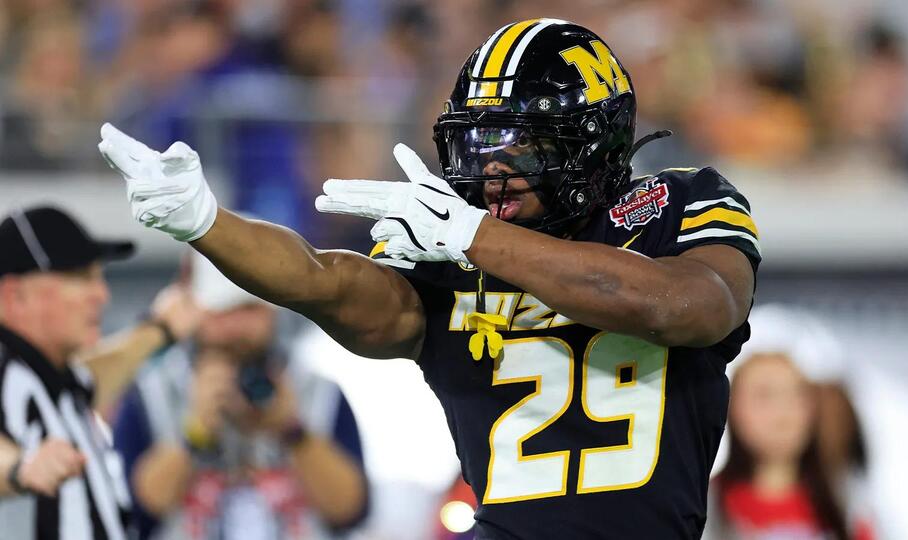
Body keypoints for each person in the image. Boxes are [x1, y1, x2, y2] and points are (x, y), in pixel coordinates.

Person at [98, 19, 760, 539]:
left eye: (519, 143)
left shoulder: (677, 204)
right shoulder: (450, 246)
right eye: (479, 143)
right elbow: (321, 279)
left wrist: (477, 239)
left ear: (592, 140)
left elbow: (686, 307)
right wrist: (205, 221)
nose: (491, 169)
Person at [111, 251, 368, 540]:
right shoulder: (152, 394)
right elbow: (135, 512)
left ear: (273, 311)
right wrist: (195, 432)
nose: (235, 328)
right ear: (193, 312)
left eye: (248, 309)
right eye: (221, 310)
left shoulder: (317, 391)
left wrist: (293, 431)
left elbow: (351, 511)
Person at [0, 206, 195, 539]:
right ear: (14, 295)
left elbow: (94, 376)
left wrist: (161, 329)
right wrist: (20, 469)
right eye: (80, 277)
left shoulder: (54, 376)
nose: (102, 294)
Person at [705, 306, 874, 540]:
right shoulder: (707, 505)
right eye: (764, 395)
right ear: (732, 406)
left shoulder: (847, 507)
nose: (782, 412)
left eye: (797, 394)